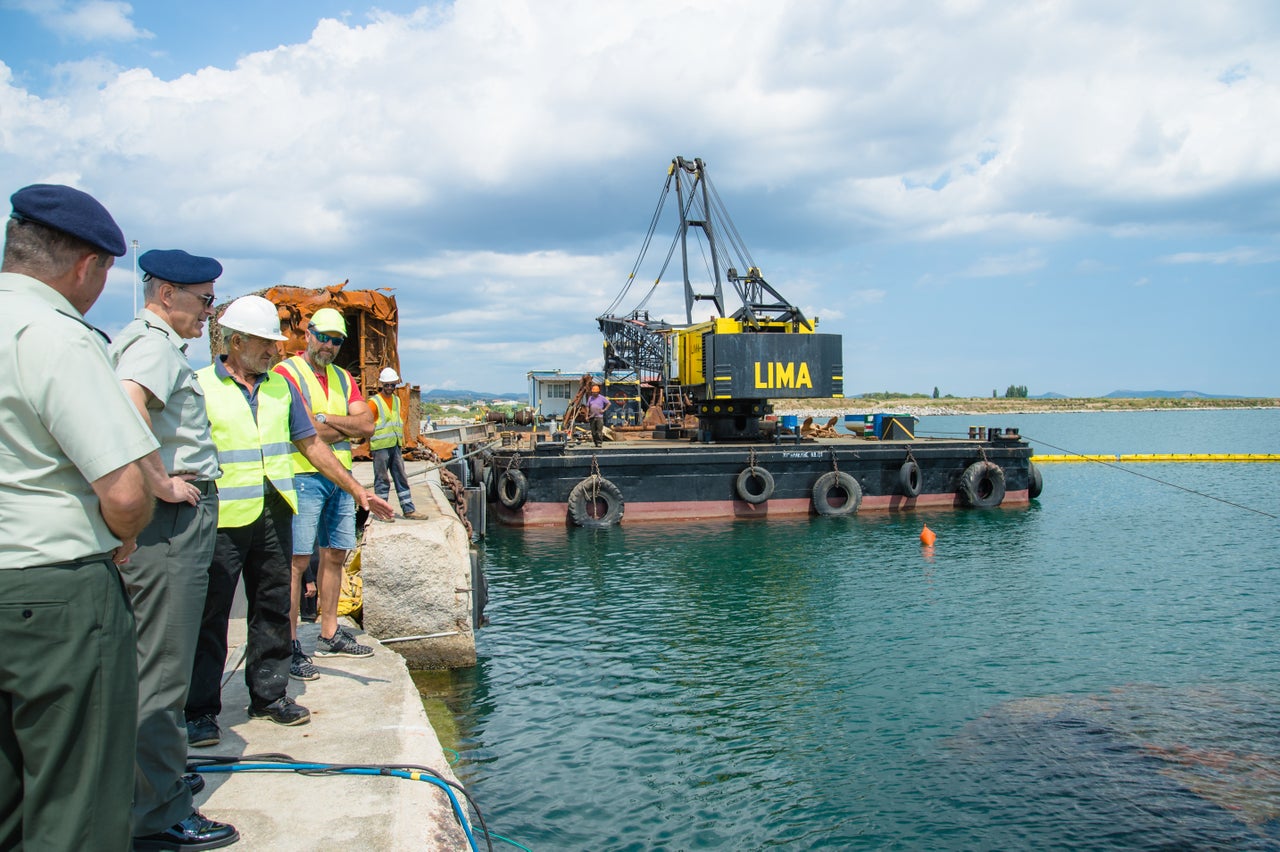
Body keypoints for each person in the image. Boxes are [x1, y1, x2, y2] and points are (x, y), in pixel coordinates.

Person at [0, 184, 156, 850]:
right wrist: (128, 536)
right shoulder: (57, 337)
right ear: (88, 266)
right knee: (78, 797)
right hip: (54, 592)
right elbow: (123, 491)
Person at [185, 296, 392, 748]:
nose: (273, 351)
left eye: (276, 344)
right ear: (236, 342)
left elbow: (312, 445)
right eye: (264, 343)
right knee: (211, 614)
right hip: (221, 517)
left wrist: (358, 489)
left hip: (275, 509)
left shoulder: (280, 390)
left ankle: (269, 695)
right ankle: (200, 710)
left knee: (274, 604)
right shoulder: (200, 386)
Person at [110, 249, 239, 850]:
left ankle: (152, 781)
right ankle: (158, 815)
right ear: (166, 294)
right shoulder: (153, 345)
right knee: (163, 670)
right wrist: (160, 482)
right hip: (171, 519)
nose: (209, 315)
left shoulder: (155, 341)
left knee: (158, 662)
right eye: (204, 301)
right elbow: (127, 404)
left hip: (172, 517)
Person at [273, 307, 377, 679]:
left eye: (336, 341)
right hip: (302, 476)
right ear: (308, 334)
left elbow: (366, 425)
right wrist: (332, 427)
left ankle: (330, 632)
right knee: (297, 563)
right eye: (324, 337)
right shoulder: (286, 373)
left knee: (335, 554)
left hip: (341, 478)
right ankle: (289, 644)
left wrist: (324, 420)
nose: (329, 346)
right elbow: (299, 432)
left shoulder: (344, 378)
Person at [370, 367, 428, 522]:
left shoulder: (396, 400)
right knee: (382, 480)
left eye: (392, 385)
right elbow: (367, 424)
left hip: (395, 446)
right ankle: (381, 511)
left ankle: (409, 510)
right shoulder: (374, 402)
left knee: (400, 477)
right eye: (387, 385)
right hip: (380, 447)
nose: (390, 388)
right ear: (382, 384)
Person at [586, 383, 611, 447]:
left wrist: (604, 410)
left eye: (595, 392)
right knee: (593, 431)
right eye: (593, 392)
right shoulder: (590, 398)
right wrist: (586, 415)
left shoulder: (602, 398)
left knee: (599, 431)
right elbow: (587, 407)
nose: (594, 393)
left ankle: (599, 443)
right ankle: (595, 443)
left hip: (599, 417)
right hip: (592, 417)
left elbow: (609, 403)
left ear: (598, 392)